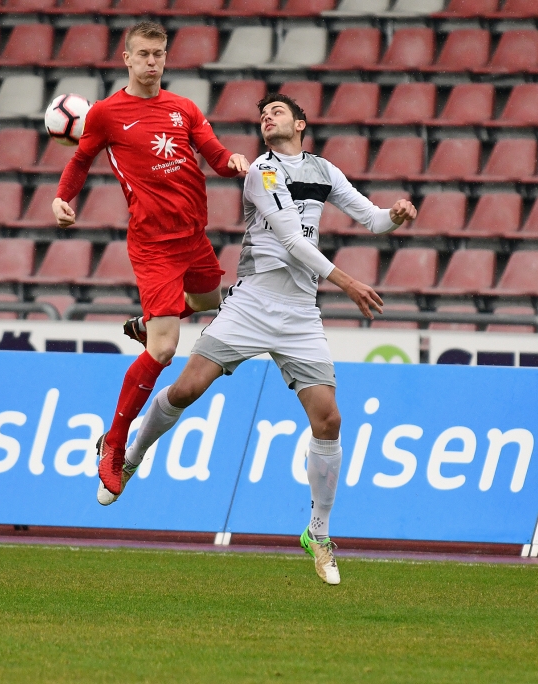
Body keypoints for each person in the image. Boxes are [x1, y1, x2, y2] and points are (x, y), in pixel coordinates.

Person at [98, 93, 417, 586]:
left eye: (276, 111)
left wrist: (395, 215)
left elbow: (371, 219)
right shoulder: (260, 172)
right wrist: (347, 282)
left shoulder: (324, 171)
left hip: (298, 314)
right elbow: (292, 238)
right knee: (185, 391)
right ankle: (131, 452)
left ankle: (319, 532)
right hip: (250, 304)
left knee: (329, 420)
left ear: (302, 122)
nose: (266, 117)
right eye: (261, 114)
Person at [52, 21, 251, 499]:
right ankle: (113, 444)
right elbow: (80, 160)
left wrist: (235, 163)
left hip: (194, 237)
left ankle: (150, 321)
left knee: (208, 300)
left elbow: (216, 155)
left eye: (158, 54)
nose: (151, 62)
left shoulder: (184, 109)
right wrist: (63, 198)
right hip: (153, 245)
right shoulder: (105, 114)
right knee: (164, 350)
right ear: (126, 58)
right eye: (142, 54)